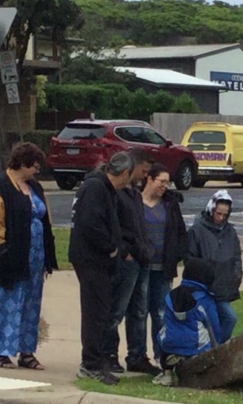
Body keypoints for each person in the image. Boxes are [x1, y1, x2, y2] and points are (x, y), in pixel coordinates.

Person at [0, 142, 57, 370]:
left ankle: (26, 352)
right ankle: (2, 351)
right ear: (23, 163)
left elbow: (45, 220)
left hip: (34, 258)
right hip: (8, 257)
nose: (37, 170)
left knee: (29, 305)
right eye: (34, 166)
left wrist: (47, 256)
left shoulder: (35, 187)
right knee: (6, 303)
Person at [68, 151, 134, 385]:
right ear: (124, 173)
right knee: (95, 313)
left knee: (100, 311)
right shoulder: (96, 188)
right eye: (130, 178)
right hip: (91, 259)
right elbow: (90, 223)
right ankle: (91, 364)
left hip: (94, 260)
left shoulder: (100, 187)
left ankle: (95, 361)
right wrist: (110, 247)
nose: (129, 184)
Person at [100, 149, 156, 374]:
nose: (144, 176)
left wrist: (146, 249)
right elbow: (114, 227)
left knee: (139, 311)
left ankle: (137, 354)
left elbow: (139, 226)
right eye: (143, 171)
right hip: (126, 260)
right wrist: (124, 252)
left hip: (141, 258)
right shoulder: (115, 193)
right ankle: (108, 354)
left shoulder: (133, 193)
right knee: (116, 311)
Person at [140, 163, 188, 364]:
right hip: (140, 269)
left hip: (163, 269)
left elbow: (181, 233)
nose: (165, 186)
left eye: (167, 182)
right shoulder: (134, 202)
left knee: (160, 313)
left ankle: (162, 356)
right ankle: (137, 355)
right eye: (162, 181)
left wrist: (175, 256)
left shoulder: (170, 204)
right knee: (139, 312)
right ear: (149, 179)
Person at [186, 189, 242, 341]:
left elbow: (236, 257)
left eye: (225, 214)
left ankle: (216, 349)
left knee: (228, 319)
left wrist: (236, 277)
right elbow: (190, 259)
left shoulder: (230, 231)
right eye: (219, 213)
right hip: (204, 289)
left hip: (223, 288)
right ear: (211, 209)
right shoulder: (197, 230)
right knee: (219, 321)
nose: (221, 217)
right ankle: (212, 350)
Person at [156, 258, 223, 380]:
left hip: (170, 343)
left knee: (162, 335)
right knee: (204, 333)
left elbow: (164, 319)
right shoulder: (205, 299)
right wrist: (216, 347)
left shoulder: (170, 295)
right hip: (196, 345)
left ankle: (167, 373)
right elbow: (214, 325)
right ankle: (191, 360)